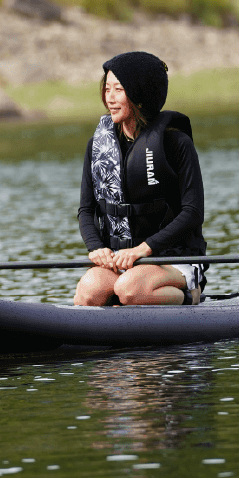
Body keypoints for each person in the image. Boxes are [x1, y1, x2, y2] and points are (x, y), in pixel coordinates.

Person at [73, 51, 207, 307]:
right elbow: (85, 209)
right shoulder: (98, 147)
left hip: (174, 259)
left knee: (130, 289)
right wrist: (95, 247)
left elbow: (192, 213)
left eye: (118, 90)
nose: (109, 98)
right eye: (107, 89)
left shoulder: (176, 143)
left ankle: (189, 295)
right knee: (89, 291)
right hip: (121, 260)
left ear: (140, 95)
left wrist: (143, 249)